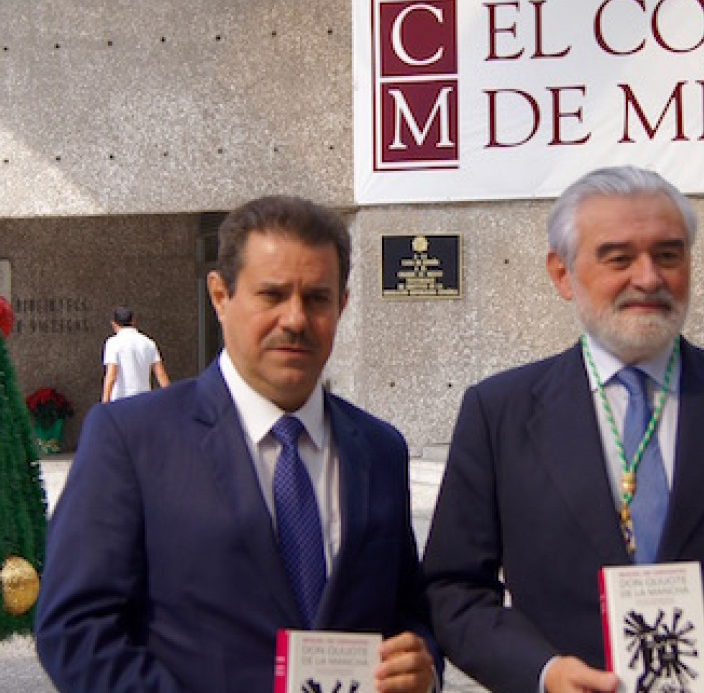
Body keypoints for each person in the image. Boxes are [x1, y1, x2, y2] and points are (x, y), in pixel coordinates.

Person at [422, 166, 704, 693]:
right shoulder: (499, 412)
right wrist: (543, 673)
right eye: (619, 258)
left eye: (668, 255)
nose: (649, 278)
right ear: (562, 273)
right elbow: (454, 589)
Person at [36, 196, 437, 692]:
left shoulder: (380, 449)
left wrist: (422, 671)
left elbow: (407, 612)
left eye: (317, 298)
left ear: (342, 305)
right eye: (272, 295)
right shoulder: (131, 440)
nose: (295, 319)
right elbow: (74, 629)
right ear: (220, 296)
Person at [102, 305, 169, 402]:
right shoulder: (148, 342)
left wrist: (105, 403)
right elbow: (160, 374)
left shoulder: (113, 343)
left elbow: (111, 375)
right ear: (133, 321)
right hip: (144, 400)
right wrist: (171, 399)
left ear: (114, 324)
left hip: (121, 401)